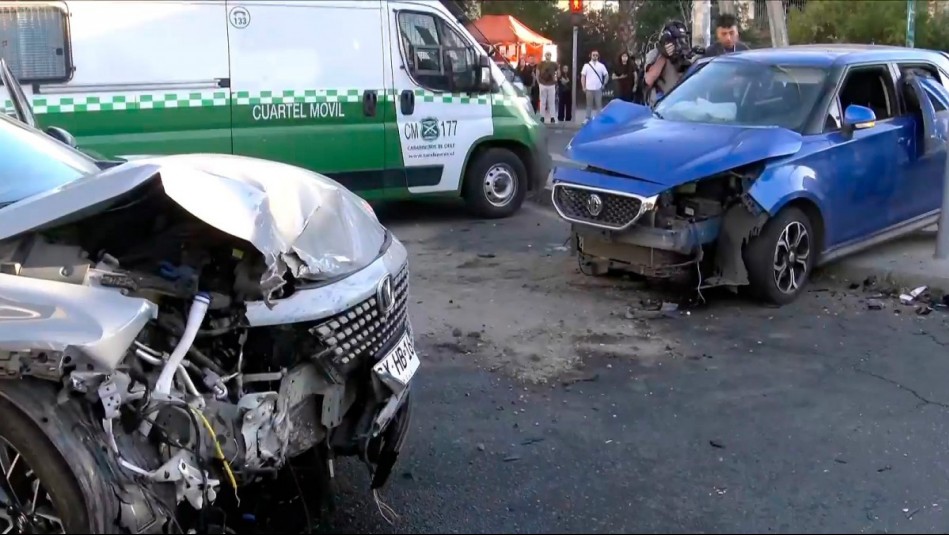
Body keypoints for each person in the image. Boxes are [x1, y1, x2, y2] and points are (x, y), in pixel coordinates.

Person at [642, 20, 701, 106]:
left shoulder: (686, 54)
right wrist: (664, 56)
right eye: (679, 40)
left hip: (684, 103)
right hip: (663, 105)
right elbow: (648, 80)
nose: (682, 43)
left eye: (683, 39)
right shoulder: (655, 54)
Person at [580, 50, 609, 123]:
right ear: (591, 56)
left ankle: (599, 118)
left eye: (596, 55)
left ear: (598, 56)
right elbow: (583, 76)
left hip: (598, 88)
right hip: (589, 88)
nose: (595, 56)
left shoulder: (601, 65)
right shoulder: (586, 65)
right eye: (593, 55)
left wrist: (604, 84)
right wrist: (583, 86)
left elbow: (606, 75)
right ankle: (587, 118)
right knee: (589, 104)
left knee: (599, 104)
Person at [537, 51, 558, 124]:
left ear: (551, 56)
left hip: (551, 84)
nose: (548, 56)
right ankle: (542, 117)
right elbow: (537, 73)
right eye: (547, 54)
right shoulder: (541, 64)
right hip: (543, 84)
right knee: (543, 101)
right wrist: (538, 82)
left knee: (551, 101)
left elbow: (558, 72)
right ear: (545, 55)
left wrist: (556, 78)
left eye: (549, 55)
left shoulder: (554, 64)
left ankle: (552, 117)